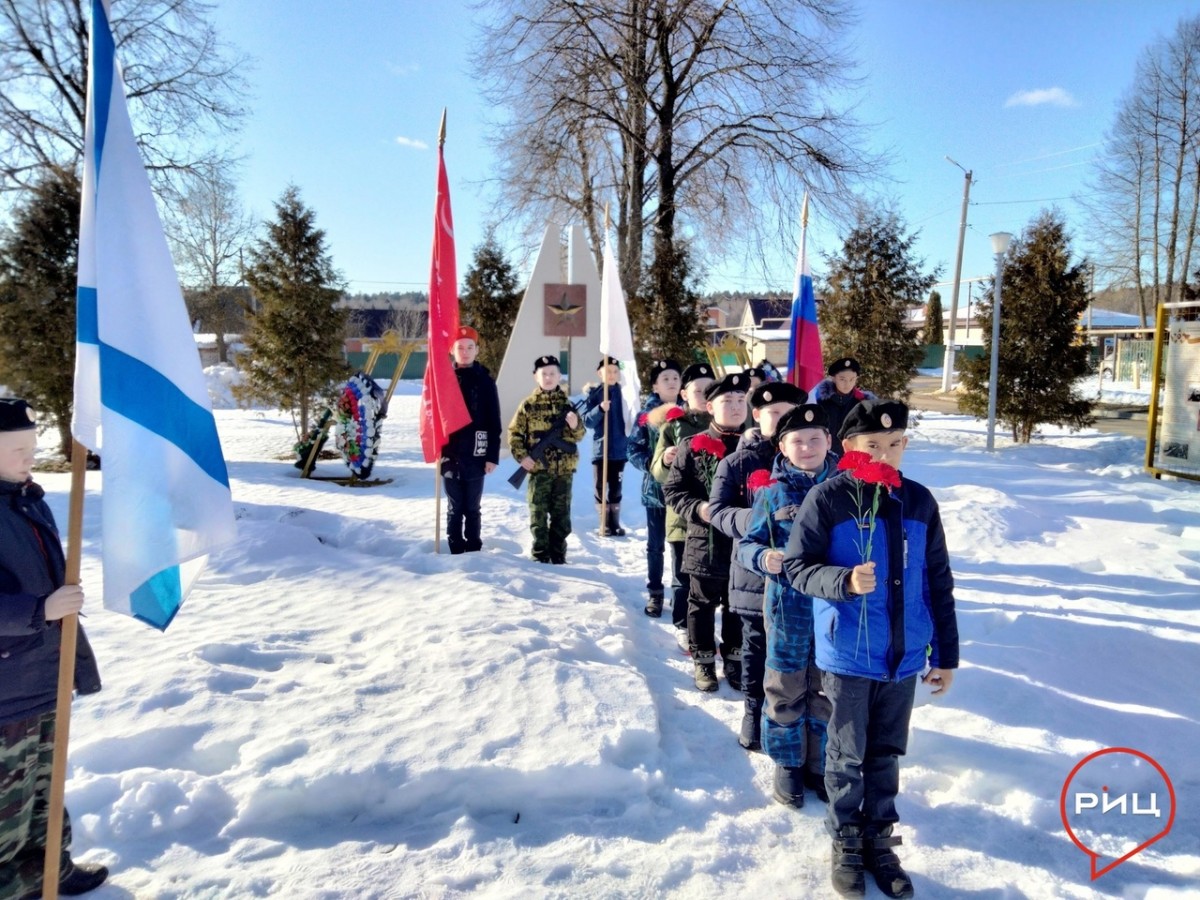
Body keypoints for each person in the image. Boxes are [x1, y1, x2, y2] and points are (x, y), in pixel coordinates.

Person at [783, 399, 959, 899]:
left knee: (885, 752)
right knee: (845, 753)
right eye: (872, 445)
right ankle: (845, 840)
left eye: (894, 443)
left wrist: (946, 655)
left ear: (905, 444)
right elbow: (797, 567)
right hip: (849, 657)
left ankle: (880, 839)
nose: (885, 452)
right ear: (849, 448)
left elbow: (938, 582)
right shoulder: (829, 497)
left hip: (904, 658)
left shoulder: (920, 501)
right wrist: (843, 580)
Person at [0, 398, 107, 898]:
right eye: (18, 449)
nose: (30, 457)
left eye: (32, 446)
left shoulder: (28, 498)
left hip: (45, 672)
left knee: (48, 785)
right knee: (8, 805)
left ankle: (52, 869)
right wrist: (38, 610)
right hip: (6, 691)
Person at [736, 404, 837, 810]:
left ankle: (818, 759)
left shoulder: (846, 487)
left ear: (829, 442)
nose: (808, 447)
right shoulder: (773, 492)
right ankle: (788, 762)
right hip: (788, 609)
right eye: (798, 440)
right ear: (783, 446)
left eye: (816, 439)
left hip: (833, 608)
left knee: (826, 686)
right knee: (785, 686)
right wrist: (764, 558)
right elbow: (748, 545)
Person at [708, 381, 806, 750]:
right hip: (754, 576)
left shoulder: (812, 457)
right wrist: (764, 519)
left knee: (798, 655)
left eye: (788, 414)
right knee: (756, 648)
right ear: (758, 416)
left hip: (801, 579)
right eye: (774, 414)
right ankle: (753, 710)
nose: (781, 422)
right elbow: (718, 511)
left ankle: (796, 721)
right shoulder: (739, 461)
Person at [663, 372, 748, 692]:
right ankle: (703, 661)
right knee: (701, 603)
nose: (736, 407)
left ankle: (735, 659)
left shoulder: (752, 445)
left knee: (737, 604)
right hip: (705, 541)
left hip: (742, 544)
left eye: (741, 400)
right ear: (710, 407)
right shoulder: (692, 446)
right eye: (727, 401)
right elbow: (673, 491)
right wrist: (698, 509)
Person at [650, 362, 714, 642]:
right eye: (696, 390)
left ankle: (707, 624)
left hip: (717, 514)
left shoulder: (725, 423)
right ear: (685, 394)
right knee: (683, 574)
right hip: (682, 515)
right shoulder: (674, 427)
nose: (703, 394)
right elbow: (658, 470)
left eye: (708, 389)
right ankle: (682, 624)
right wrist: (665, 460)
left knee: (712, 574)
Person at [508, 356, 585, 564]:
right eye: (544, 374)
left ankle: (558, 555)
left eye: (553, 373)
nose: (549, 377)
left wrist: (575, 424)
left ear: (560, 376)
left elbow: (579, 436)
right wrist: (523, 457)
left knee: (562, 518)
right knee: (538, 516)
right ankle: (540, 556)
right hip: (538, 471)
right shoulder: (528, 406)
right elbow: (514, 434)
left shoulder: (568, 406)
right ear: (536, 377)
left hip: (563, 472)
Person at [626, 359, 683, 617]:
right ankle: (656, 593)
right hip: (655, 493)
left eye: (675, 378)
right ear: (655, 387)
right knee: (656, 545)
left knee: (681, 545)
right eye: (665, 379)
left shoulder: (690, 413)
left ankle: (681, 592)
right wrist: (651, 463)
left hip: (684, 493)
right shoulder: (645, 417)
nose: (671, 382)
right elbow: (632, 448)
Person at [440, 326, 501, 554]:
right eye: (460, 347)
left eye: (469, 347)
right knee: (454, 507)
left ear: (477, 350)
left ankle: (474, 548)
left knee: (472, 507)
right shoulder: (445, 381)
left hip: (477, 452)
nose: (465, 352)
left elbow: (494, 422)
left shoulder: (485, 381)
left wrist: (491, 456)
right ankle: (455, 547)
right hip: (451, 452)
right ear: (452, 351)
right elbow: (436, 416)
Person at [582, 356, 628, 537]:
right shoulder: (595, 393)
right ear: (599, 373)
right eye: (608, 371)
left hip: (619, 450)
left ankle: (615, 522)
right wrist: (600, 409)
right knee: (601, 487)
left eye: (615, 371)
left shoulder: (625, 394)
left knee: (616, 487)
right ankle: (604, 523)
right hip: (601, 450)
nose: (612, 375)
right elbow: (587, 421)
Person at [811, 357, 876, 456]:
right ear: (833, 378)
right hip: (826, 458)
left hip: (854, 458)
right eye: (842, 379)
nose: (847, 384)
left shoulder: (863, 404)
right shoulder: (820, 402)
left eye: (852, 379)